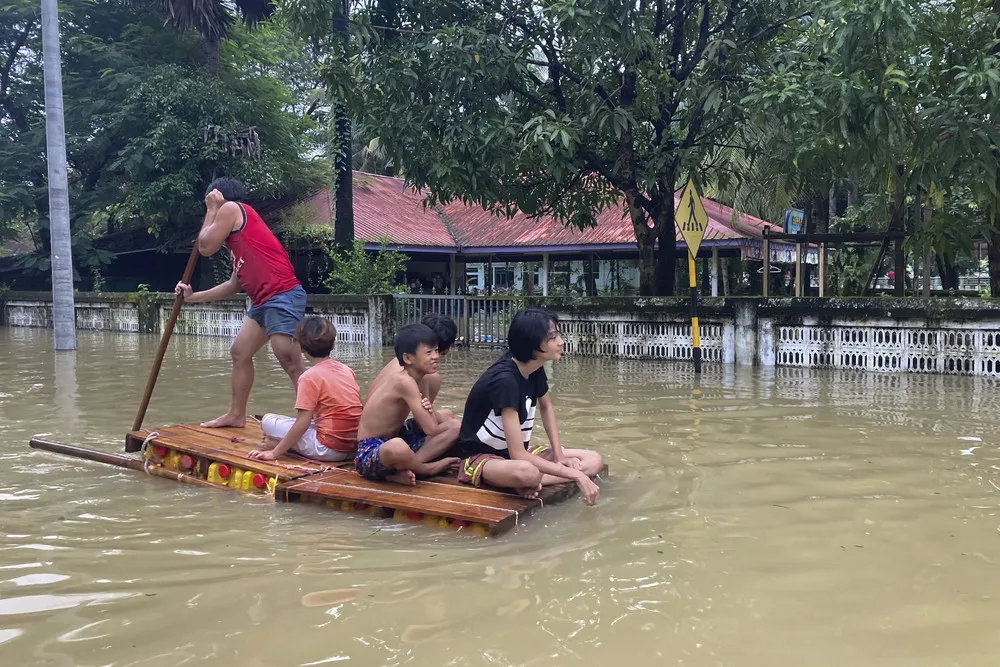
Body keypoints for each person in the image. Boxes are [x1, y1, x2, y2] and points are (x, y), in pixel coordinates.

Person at [175, 177, 306, 428]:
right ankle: (236, 415)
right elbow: (234, 286)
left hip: (283, 294)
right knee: (240, 353)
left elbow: (205, 246)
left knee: (289, 360)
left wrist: (212, 209)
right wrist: (192, 297)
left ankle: (318, 418)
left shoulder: (232, 208)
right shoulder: (240, 241)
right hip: (262, 301)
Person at [449, 308, 603, 505]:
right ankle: (530, 480)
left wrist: (559, 455)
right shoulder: (505, 380)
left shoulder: (534, 367)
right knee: (527, 473)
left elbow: (546, 408)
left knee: (594, 459)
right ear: (533, 344)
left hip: (517, 454)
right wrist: (576, 475)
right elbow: (518, 455)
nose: (560, 342)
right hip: (482, 458)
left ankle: (534, 481)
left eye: (558, 335)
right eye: (552, 337)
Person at [355, 324, 460, 485]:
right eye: (428, 352)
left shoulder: (421, 376)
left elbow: (428, 424)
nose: (435, 356)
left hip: (397, 435)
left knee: (455, 425)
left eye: (436, 351)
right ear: (408, 358)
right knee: (397, 447)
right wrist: (429, 411)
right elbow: (431, 429)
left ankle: (402, 470)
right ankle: (425, 469)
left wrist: (430, 410)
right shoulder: (404, 381)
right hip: (370, 450)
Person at [248, 317, 361, 462]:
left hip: (328, 450)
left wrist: (273, 454)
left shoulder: (308, 377)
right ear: (333, 345)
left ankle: (278, 445)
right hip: (354, 447)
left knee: (268, 421)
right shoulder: (347, 370)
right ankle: (284, 443)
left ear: (301, 348)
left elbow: (303, 423)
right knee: (294, 423)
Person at [365, 312, 459, 427]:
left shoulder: (402, 361)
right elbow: (425, 423)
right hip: (386, 438)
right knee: (454, 426)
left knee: (447, 414)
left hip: (367, 430)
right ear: (446, 348)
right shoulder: (427, 374)